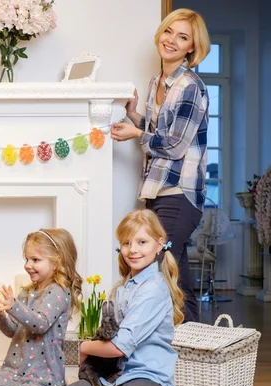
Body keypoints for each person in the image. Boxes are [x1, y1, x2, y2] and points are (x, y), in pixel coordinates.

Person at [43, 210, 184, 386]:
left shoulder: (154, 288)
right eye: (127, 243)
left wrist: (84, 347)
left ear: (159, 245)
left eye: (142, 242)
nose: (133, 250)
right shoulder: (124, 286)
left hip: (146, 375)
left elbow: (120, 346)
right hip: (112, 376)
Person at [110, 8, 211, 323]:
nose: (172, 40)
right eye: (169, 32)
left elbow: (176, 145)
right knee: (177, 277)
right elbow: (161, 133)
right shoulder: (158, 80)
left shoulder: (191, 86)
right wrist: (133, 115)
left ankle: (164, 346)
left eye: (182, 37)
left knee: (156, 268)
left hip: (180, 192)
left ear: (191, 48)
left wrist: (136, 133)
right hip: (157, 189)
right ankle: (195, 351)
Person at [0, 229, 82, 386]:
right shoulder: (26, 292)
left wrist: (14, 306)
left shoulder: (58, 292)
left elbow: (40, 324)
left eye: (35, 260)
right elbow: (14, 331)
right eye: (26, 259)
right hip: (13, 370)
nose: (28, 265)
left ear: (57, 261)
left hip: (42, 374)